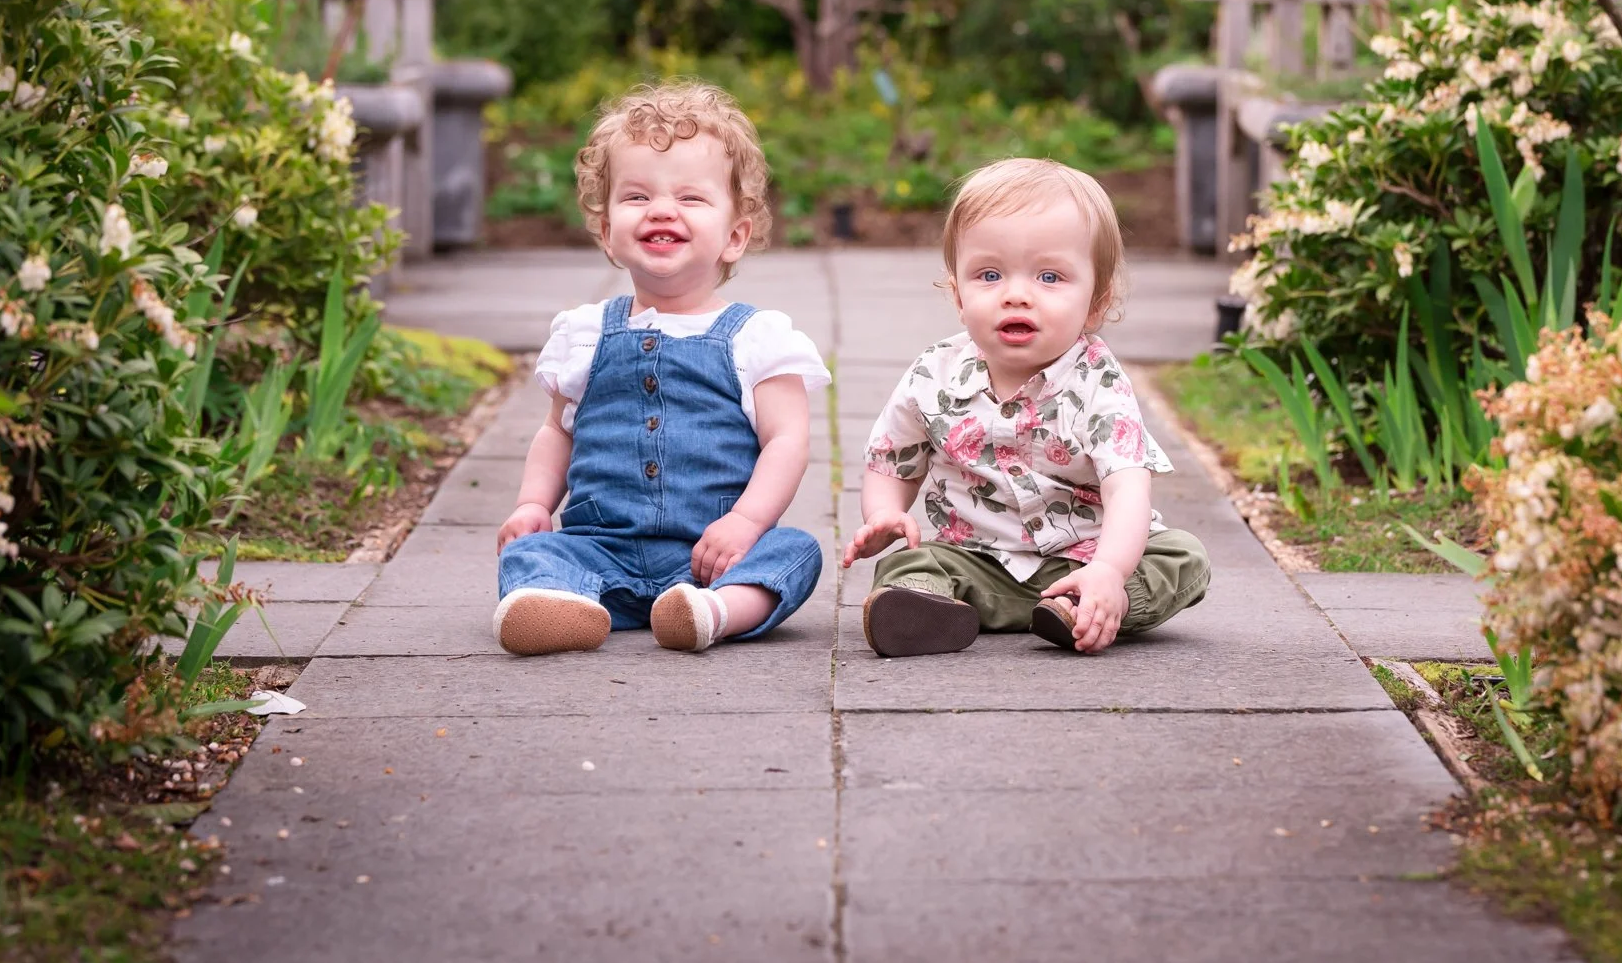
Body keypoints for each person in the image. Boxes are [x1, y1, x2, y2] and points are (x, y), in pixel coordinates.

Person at [493, 82, 827, 655]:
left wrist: (746, 523)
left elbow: (788, 441)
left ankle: (714, 610)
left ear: (735, 236)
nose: (662, 210)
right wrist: (532, 504)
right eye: (637, 197)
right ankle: (559, 602)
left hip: (711, 552)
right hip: (599, 547)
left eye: (691, 199)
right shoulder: (585, 333)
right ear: (606, 232)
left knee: (794, 551)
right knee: (532, 550)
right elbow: (557, 430)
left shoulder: (757, 338)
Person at [842, 157, 1209, 656]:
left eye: (1050, 278)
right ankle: (927, 608)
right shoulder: (934, 373)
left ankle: (1096, 606)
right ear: (957, 294)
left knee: (1183, 556)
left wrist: (1109, 570)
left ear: (1096, 303)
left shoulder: (1098, 382)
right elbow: (893, 459)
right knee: (908, 564)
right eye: (989, 275)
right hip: (976, 559)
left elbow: (1127, 488)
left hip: (1086, 556)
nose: (1017, 295)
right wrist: (884, 514)